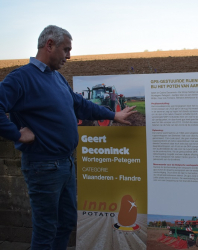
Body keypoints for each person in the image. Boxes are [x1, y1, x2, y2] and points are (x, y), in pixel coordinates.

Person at [0, 25, 136, 250]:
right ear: (49, 45)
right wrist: (16, 134)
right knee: (46, 229)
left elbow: (80, 105)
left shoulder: (58, 78)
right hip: (43, 167)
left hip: (66, 163)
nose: (69, 56)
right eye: (66, 50)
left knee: (65, 223)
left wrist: (113, 114)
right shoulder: (21, 78)